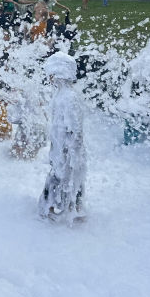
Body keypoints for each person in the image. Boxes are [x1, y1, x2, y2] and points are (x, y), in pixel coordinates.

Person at [38, 52, 86, 223]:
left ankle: (62, 210)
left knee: (64, 179)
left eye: (51, 74)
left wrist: (71, 152)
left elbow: (74, 129)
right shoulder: (62, 95)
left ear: (59, 74)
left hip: (68, 150)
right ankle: (72, 209)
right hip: (61, 148)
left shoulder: (68, 98)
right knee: (66, 180)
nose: (49, 78)